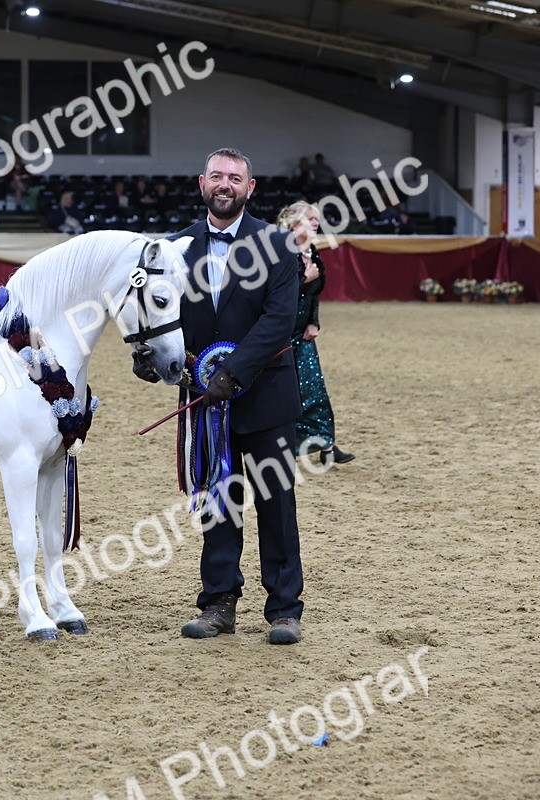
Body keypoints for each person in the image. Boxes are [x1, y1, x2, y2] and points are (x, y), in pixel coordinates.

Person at [138, 147, 304, 645]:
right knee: (217, 502)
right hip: (205, 400)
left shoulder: (278, 245)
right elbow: (157, 313)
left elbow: (280, 320)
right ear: (201, 183)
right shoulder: (173, 249)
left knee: (276, 503)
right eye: (217, 176)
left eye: (235, 177)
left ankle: (284, 610)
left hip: (266, 396)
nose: (225, 184)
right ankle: (218, 604)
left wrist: (233, 371)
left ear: (250, 188)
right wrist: (151, 356)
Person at [276, 201, 354, 466]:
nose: (315, 223)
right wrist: (303, 279)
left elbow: (315, 296)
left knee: (315, 390)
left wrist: (314, 322)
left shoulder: (313, 253)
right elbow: (279, 297)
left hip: (303, 334)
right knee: (288, 394)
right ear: (292, 223)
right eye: (309, 218)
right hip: (281, 336)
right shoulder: (282, 254)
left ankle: (327, 446)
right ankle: (285, 448)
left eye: (316, 219)